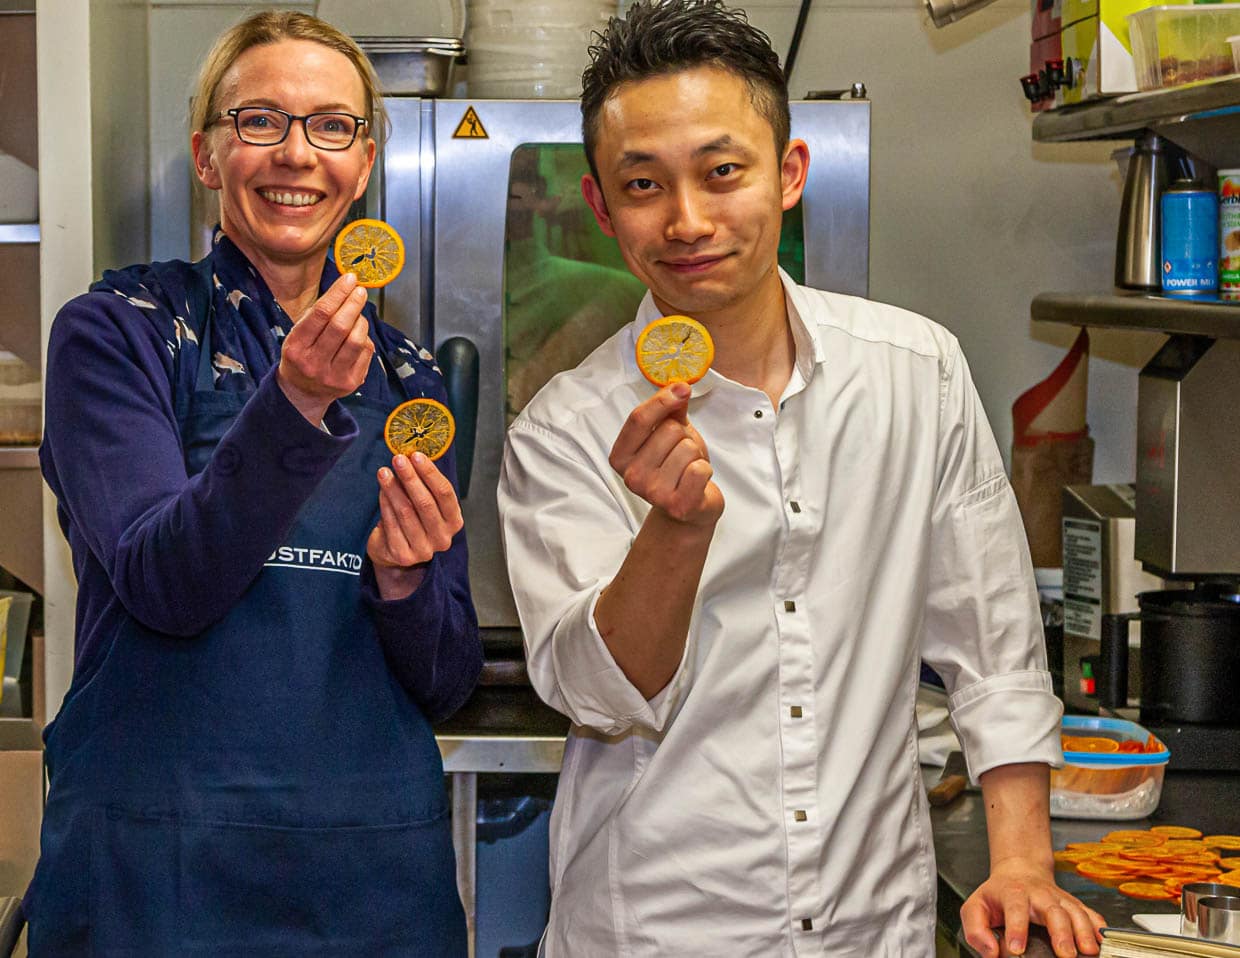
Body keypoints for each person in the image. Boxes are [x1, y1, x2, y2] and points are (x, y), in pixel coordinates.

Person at [496, 2, 1107, 955]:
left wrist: (1021, 862)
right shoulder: (565, 429)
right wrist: (676, 531)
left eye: (722, 171)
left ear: (788, 174)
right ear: (603, 209)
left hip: (872, 929)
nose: (687, 220)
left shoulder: (918, 372)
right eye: (644, 185)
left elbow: (993, 650)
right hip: (657, 929)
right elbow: (600, 698)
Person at [26, 11, 480, 954]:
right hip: (156, 873)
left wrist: (402, 584)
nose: (296, 154)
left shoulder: (410, 380)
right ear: (207, 155)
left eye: (331, 126)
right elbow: (164, 582)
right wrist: (296, 403)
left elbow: (444, 677)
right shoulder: (121, 332)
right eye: (260, 121)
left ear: (363, 164)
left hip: (372, 880)